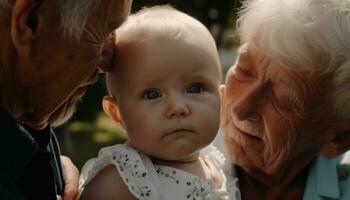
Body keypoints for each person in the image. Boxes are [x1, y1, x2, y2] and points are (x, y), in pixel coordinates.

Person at [79, 6, 239, 200]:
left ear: (221, 100)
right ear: (117, 113)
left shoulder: (220, 165)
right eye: (152, 94)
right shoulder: (120, 182)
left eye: (195, 89)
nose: (178, 107)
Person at [0, 0, 132, 199]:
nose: (109, 63)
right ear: (31, 22)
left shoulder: (27, 116)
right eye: (104, 31)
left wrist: (38, 173)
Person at [219, 0, 350, 199]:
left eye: (281, 100)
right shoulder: (163, 153)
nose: (240, 108)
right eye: (244, 71)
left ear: (340, 139)